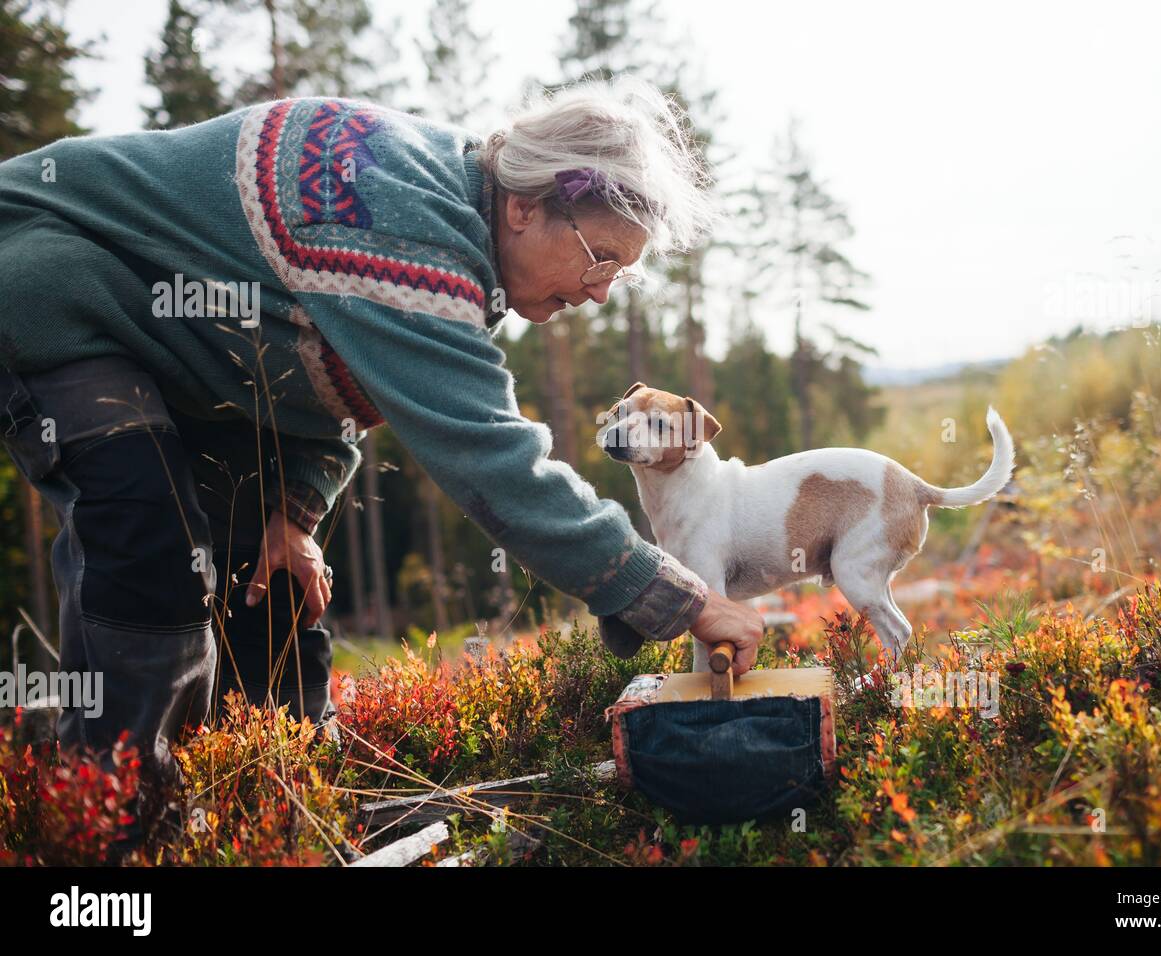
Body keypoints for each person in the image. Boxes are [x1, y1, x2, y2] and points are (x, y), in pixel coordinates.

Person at [0, 75, 763, 842]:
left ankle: (286, 812)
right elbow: (493, 459)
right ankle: (118, 831)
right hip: (54, 283)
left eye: (619, 274)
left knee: (272, 578)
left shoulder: (452, 241)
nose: (600, 292)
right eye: (600, 258)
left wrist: (295, 512)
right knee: (151, 543)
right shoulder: (405, 224)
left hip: (180, 357)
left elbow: (327, 387)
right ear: (526, 205)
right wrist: (683, 600)